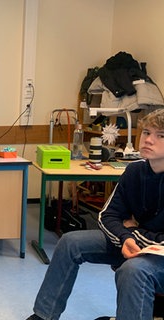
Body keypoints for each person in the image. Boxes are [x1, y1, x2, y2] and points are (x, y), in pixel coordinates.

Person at [26, 108, 164, 320]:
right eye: (146, 132)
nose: (149, 140)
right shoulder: (135, 170)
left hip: (157, 256)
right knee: (70, 242)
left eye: (160, 135)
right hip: (133, 243)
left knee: (133, 270)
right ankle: (44, 316)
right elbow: (107, 216)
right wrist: (126, 236)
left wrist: (132, 231)